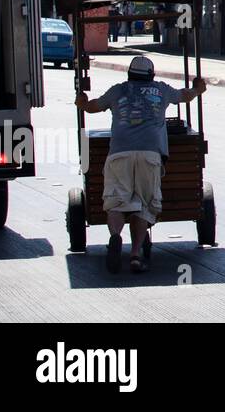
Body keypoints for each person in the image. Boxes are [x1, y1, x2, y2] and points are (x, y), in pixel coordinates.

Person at [76, 55, 206, 274]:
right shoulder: (161, 90)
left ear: (129, 75)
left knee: (117, 203)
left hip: (120, 153)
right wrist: (198, 90)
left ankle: (116, 236)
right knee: (144, 206)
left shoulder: (118, 90)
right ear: (151, 75)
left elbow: (91, 107)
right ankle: (135, 255)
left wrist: (82, 102)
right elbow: (185, 96)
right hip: (150, 154)